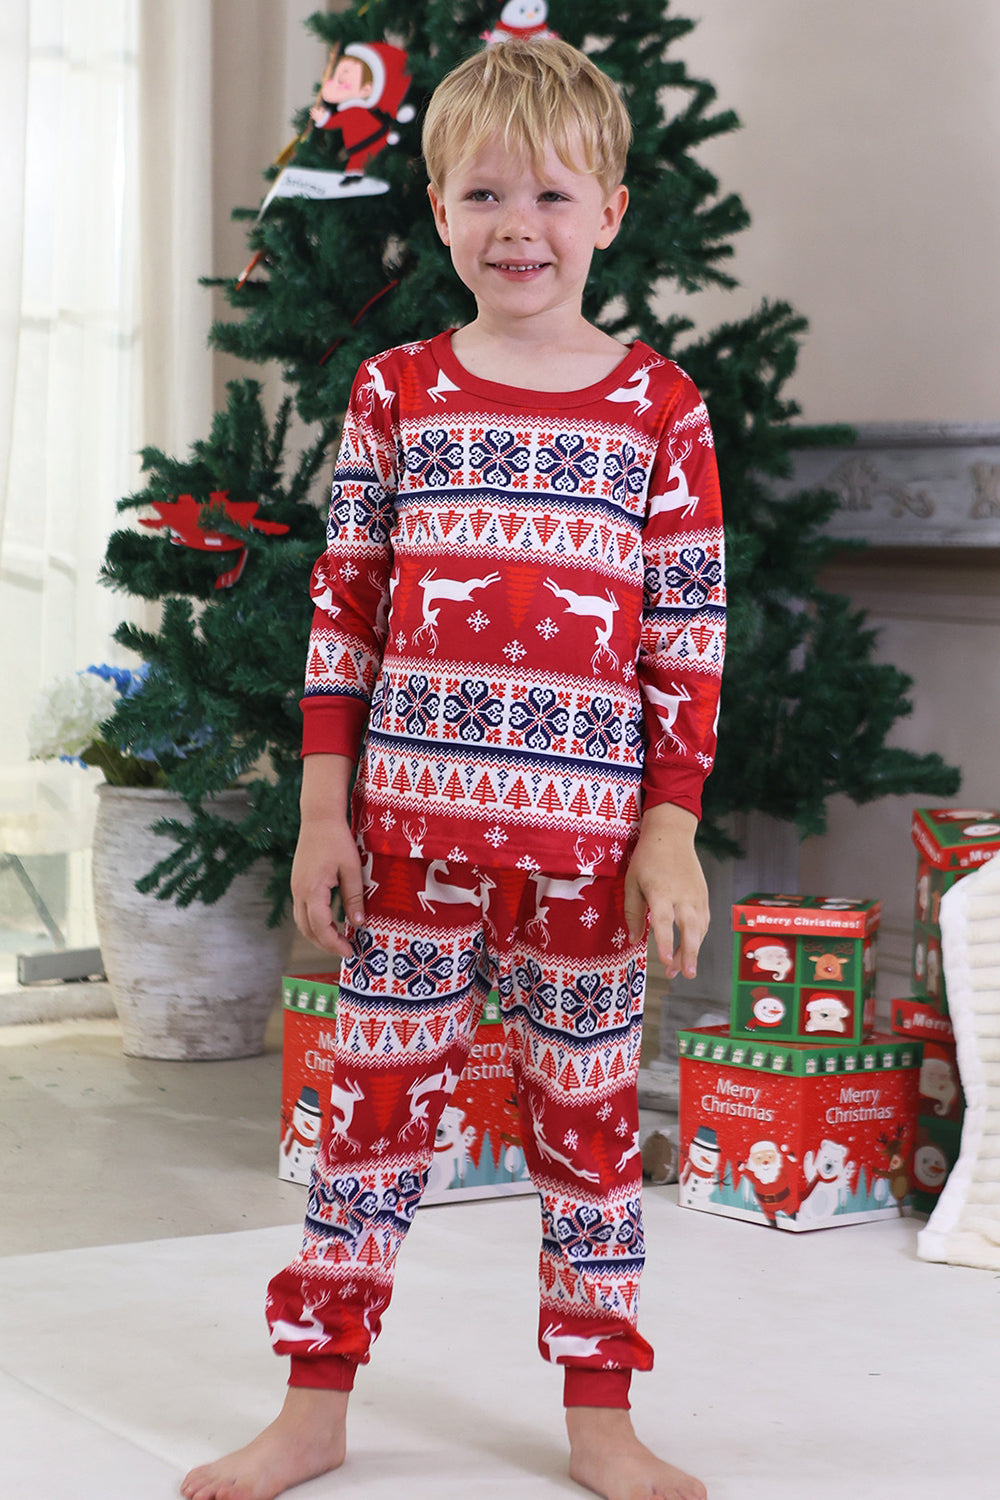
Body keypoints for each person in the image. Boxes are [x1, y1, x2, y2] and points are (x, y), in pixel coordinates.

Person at [181, 35, 723, 1500]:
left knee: (592, 1134)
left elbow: (689, 638)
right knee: (365, 1124)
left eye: (551, 195)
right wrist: (318, 813)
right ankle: (316, 1403)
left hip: (588, 856)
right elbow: (344, 608)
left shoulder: (657, 411)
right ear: (435, 209)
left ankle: (601, 1418)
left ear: (610, 207)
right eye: (483, 193)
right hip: (409, 839)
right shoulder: (397, 393)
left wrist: (668, 831)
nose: (517, 227)